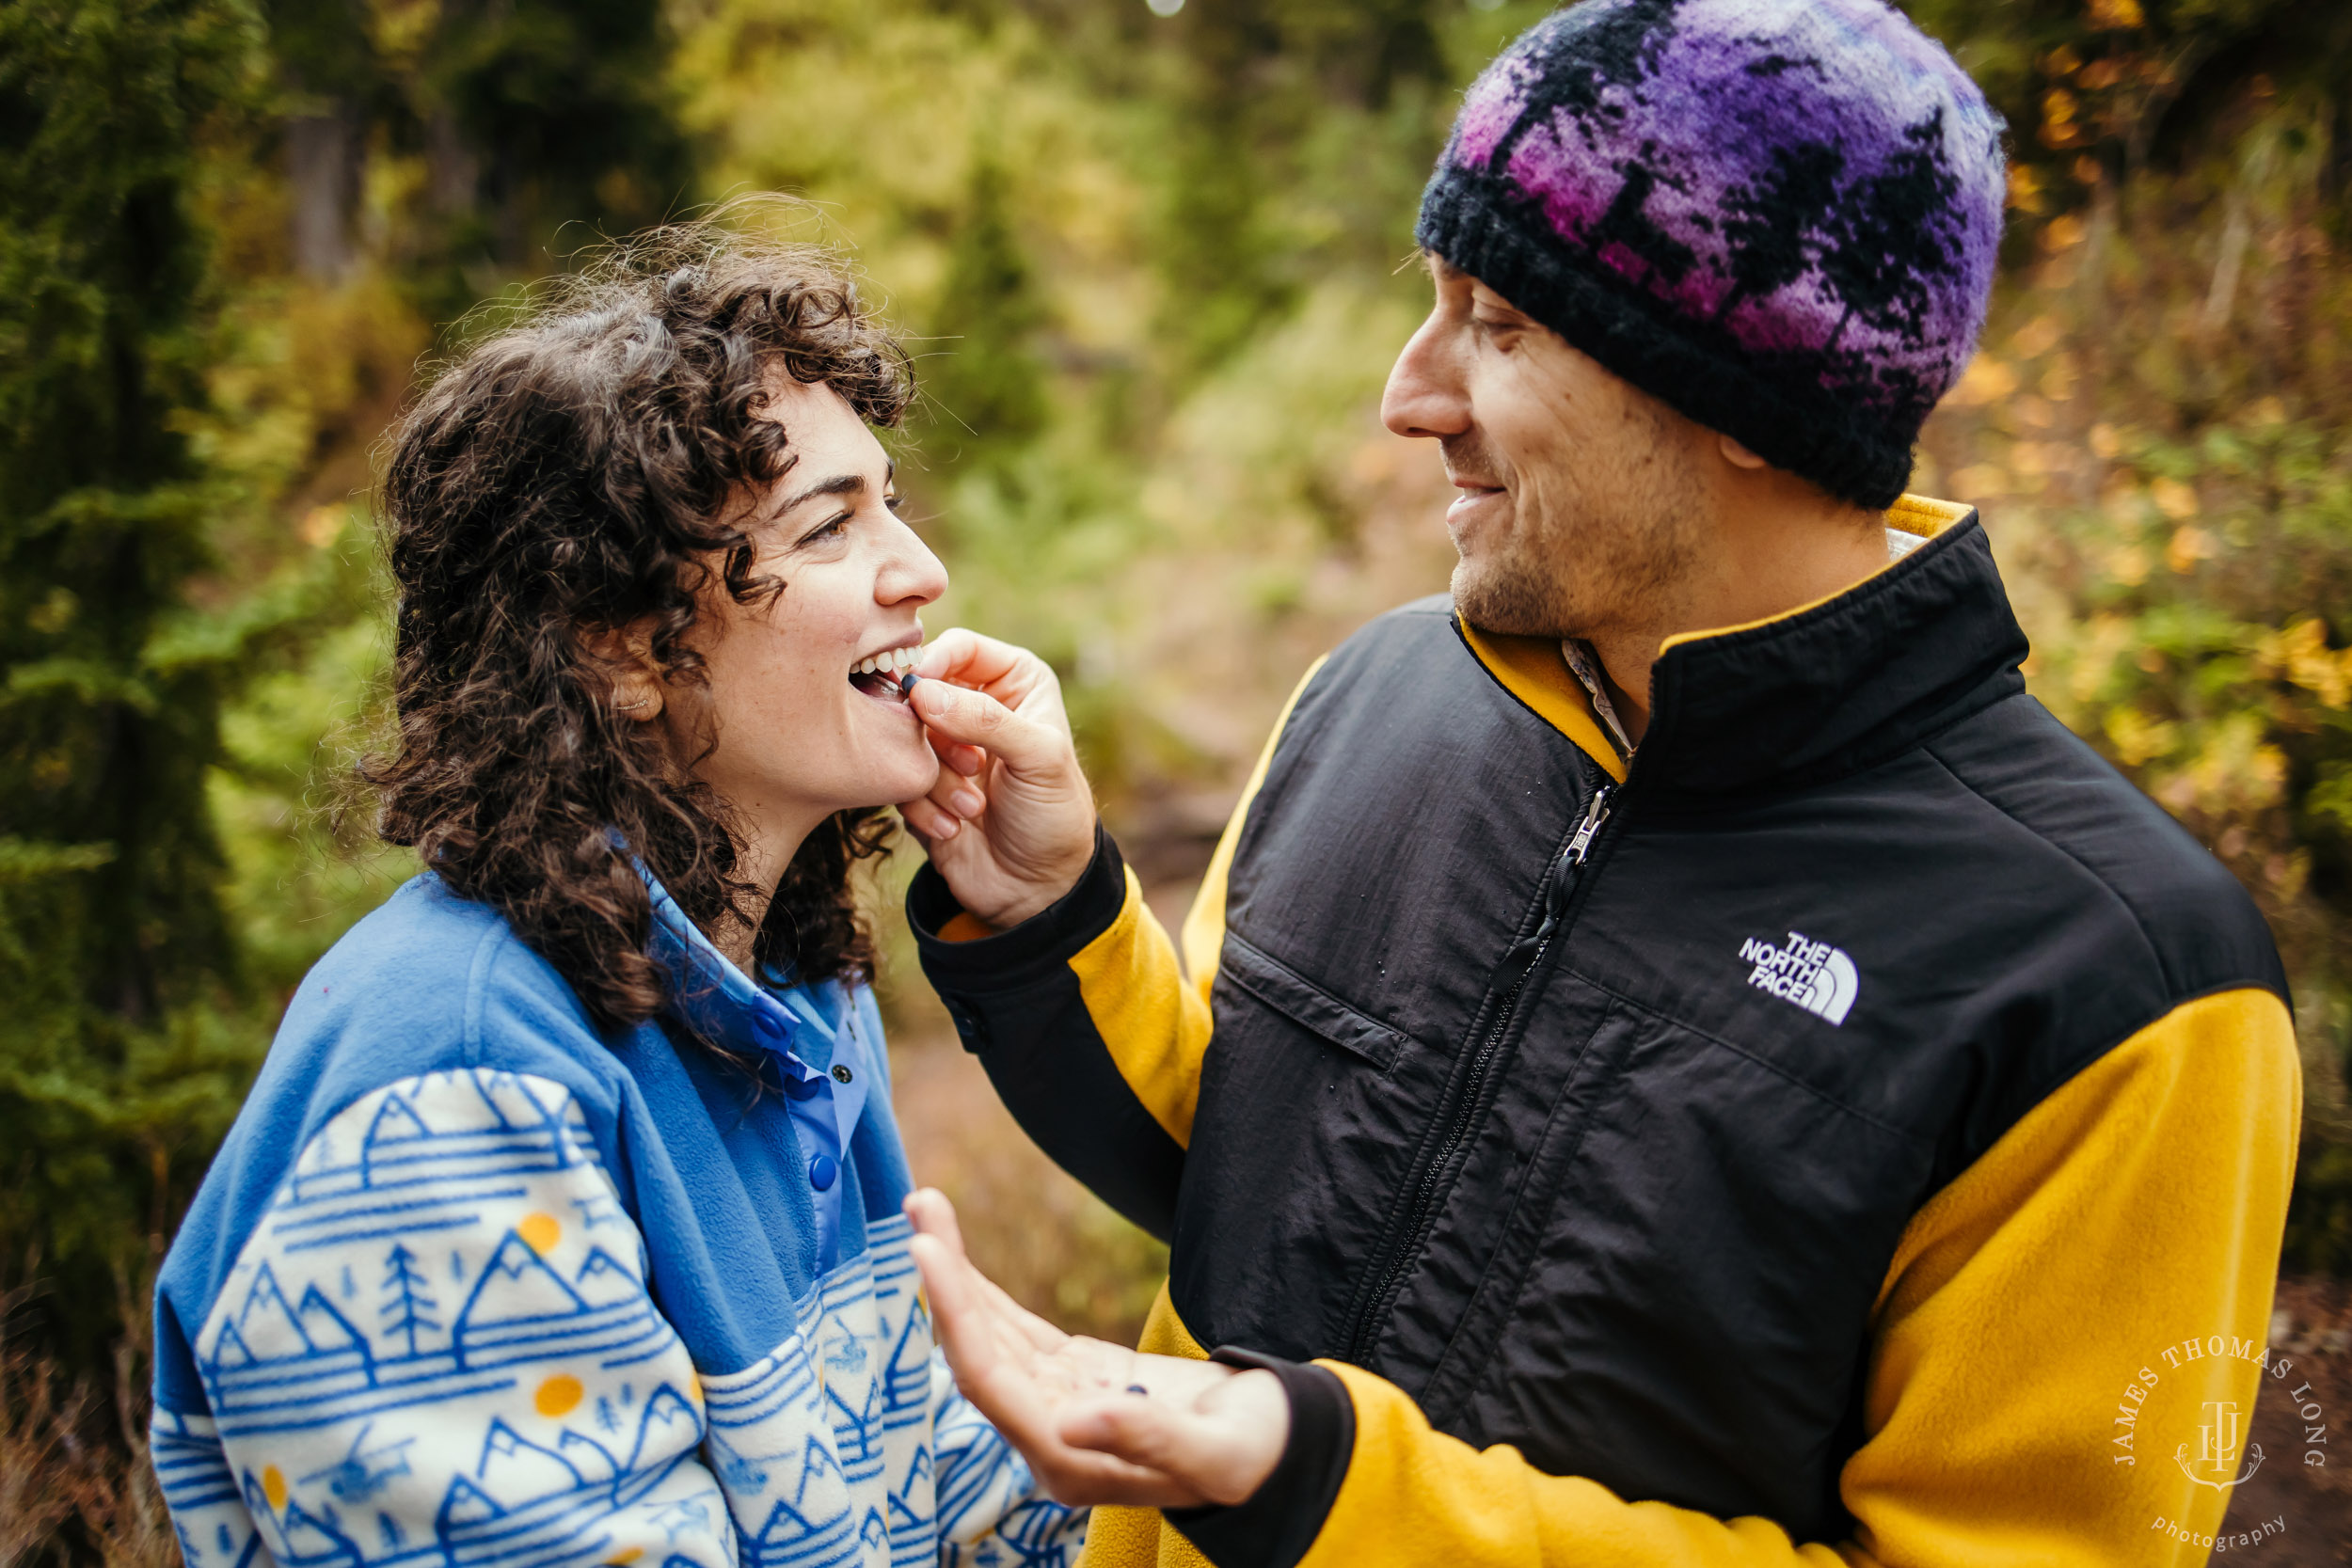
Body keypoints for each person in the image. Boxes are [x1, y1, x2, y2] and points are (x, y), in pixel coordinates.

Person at [885, 2, 2302, 1564]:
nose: (1409, 397)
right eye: (1434, 304)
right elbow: (1237, 1170)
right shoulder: (1384, 689)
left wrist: (1323, 1487)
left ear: (1749, 398)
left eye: (1499, 325)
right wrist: (1054, 915)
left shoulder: (2121, 984)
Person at [147, 226, 1090, 1568]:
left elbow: (930, 1488)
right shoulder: (457, 1093)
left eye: (891, 502)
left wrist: (1266, 1476)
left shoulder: (787, 996)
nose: (921, 569)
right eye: (832, 524)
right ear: (623, 649)